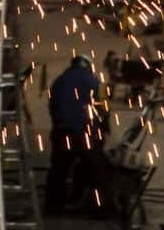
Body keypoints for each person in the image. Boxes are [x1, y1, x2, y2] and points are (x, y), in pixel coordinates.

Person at [46, 54, 103, 214]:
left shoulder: (58, 81)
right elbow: (102, 110)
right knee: (96, 169)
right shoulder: (94, 81)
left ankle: (53, 207)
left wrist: (59, 126)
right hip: (85, 134)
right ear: (88, 66)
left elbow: (53, 107)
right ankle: (100, 209)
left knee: (58, 170)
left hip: (63, 132)